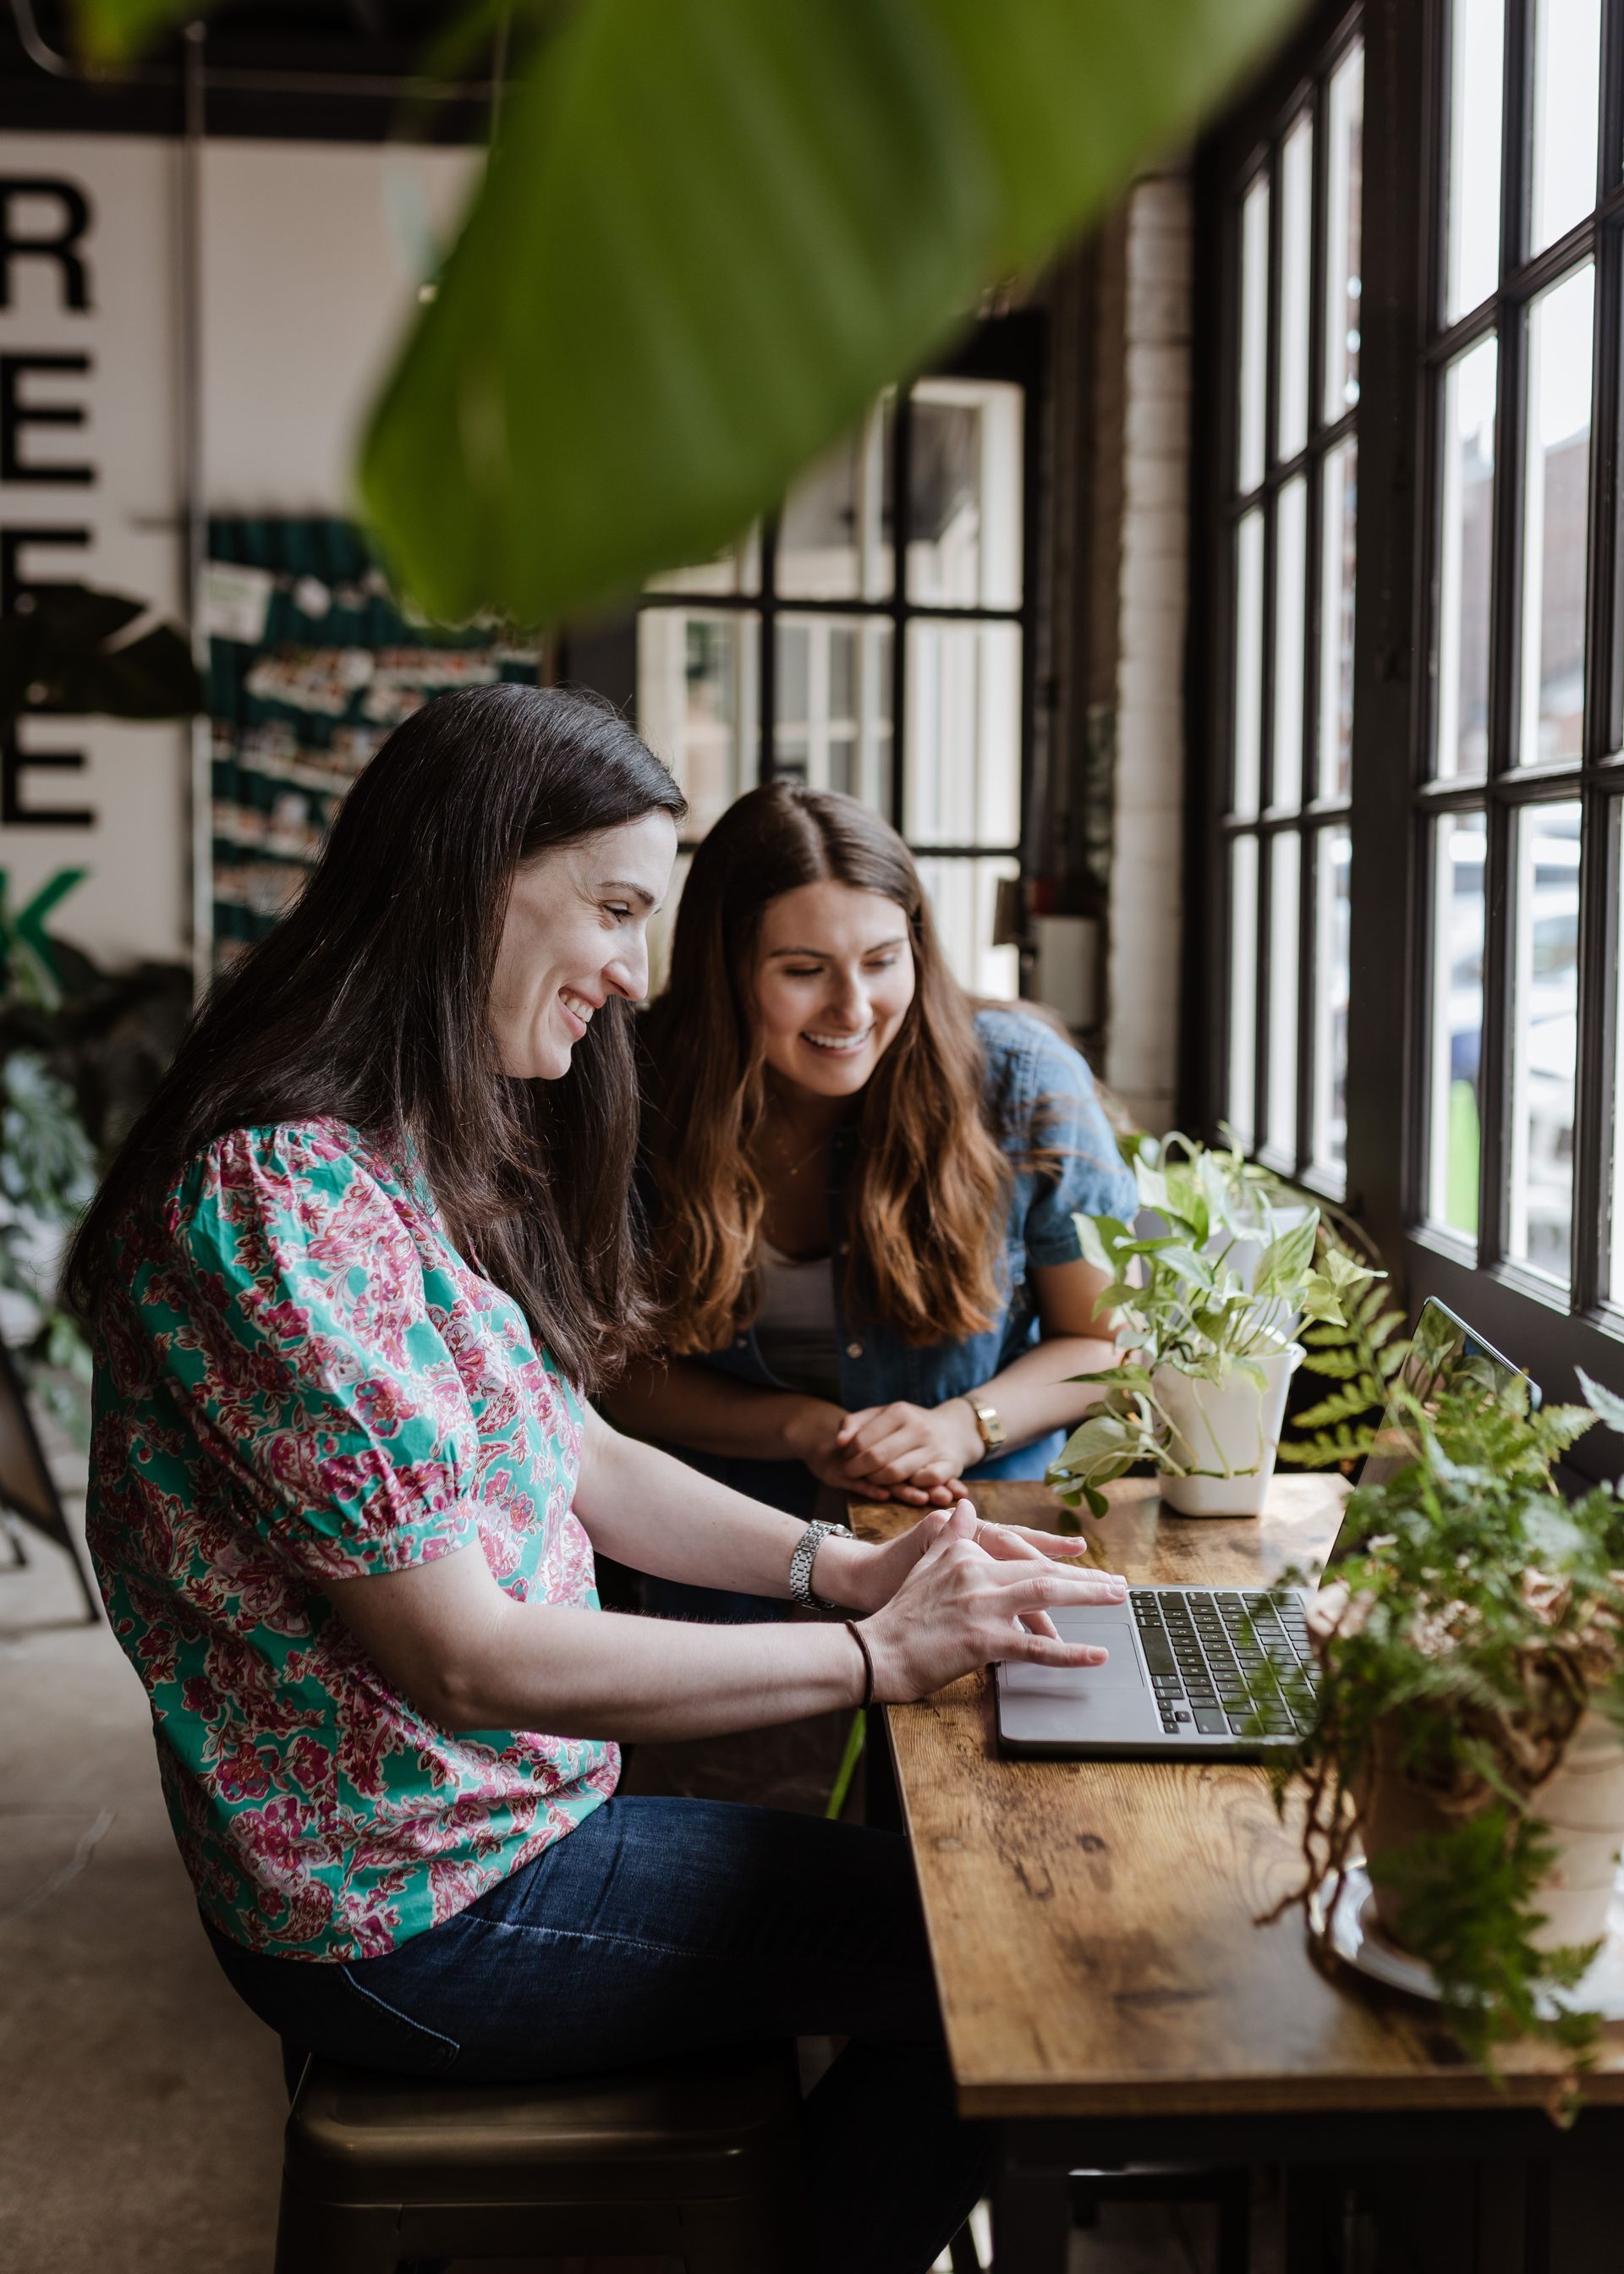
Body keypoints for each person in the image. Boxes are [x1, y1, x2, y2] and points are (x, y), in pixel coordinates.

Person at [68, 684, 1130, 2274]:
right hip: (412, 1908)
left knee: (964, 1930)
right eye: (619, 910)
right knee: (1021, 1971)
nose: (635, 971)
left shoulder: (386, 1149)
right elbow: (468, 1654)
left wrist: (839, 1572)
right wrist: (866, 1657)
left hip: (491, 1835)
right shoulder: (275, 1203)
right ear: (474, 876)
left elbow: (586, 1452)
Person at [613, 782, 1138, 1620]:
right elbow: (608, 1372)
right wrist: (799, 1428)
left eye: (882, 961)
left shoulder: (1020, 1080)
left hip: (981, 1548)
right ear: (725, 969)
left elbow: (1109, 1346)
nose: (852, 1009)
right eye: (803, 971)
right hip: (728, 1570)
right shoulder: (635, 1090)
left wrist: (968, 1424)